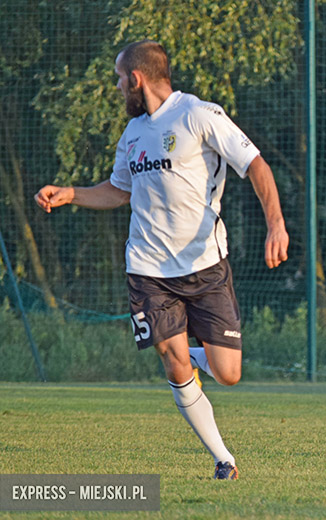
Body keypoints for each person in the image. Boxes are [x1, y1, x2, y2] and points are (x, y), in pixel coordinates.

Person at [34, 40, 289, 479]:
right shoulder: (132, 135)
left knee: (228, 373)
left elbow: (257, 166)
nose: (117, 88)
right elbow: (119, 190)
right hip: (148, 269)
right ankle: (223, 459)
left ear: (137, 79)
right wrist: (72, 193)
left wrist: (276, 225)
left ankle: (178, 346)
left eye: (119, 79)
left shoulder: (199, 115)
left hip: (206, 263)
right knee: (173, 364)